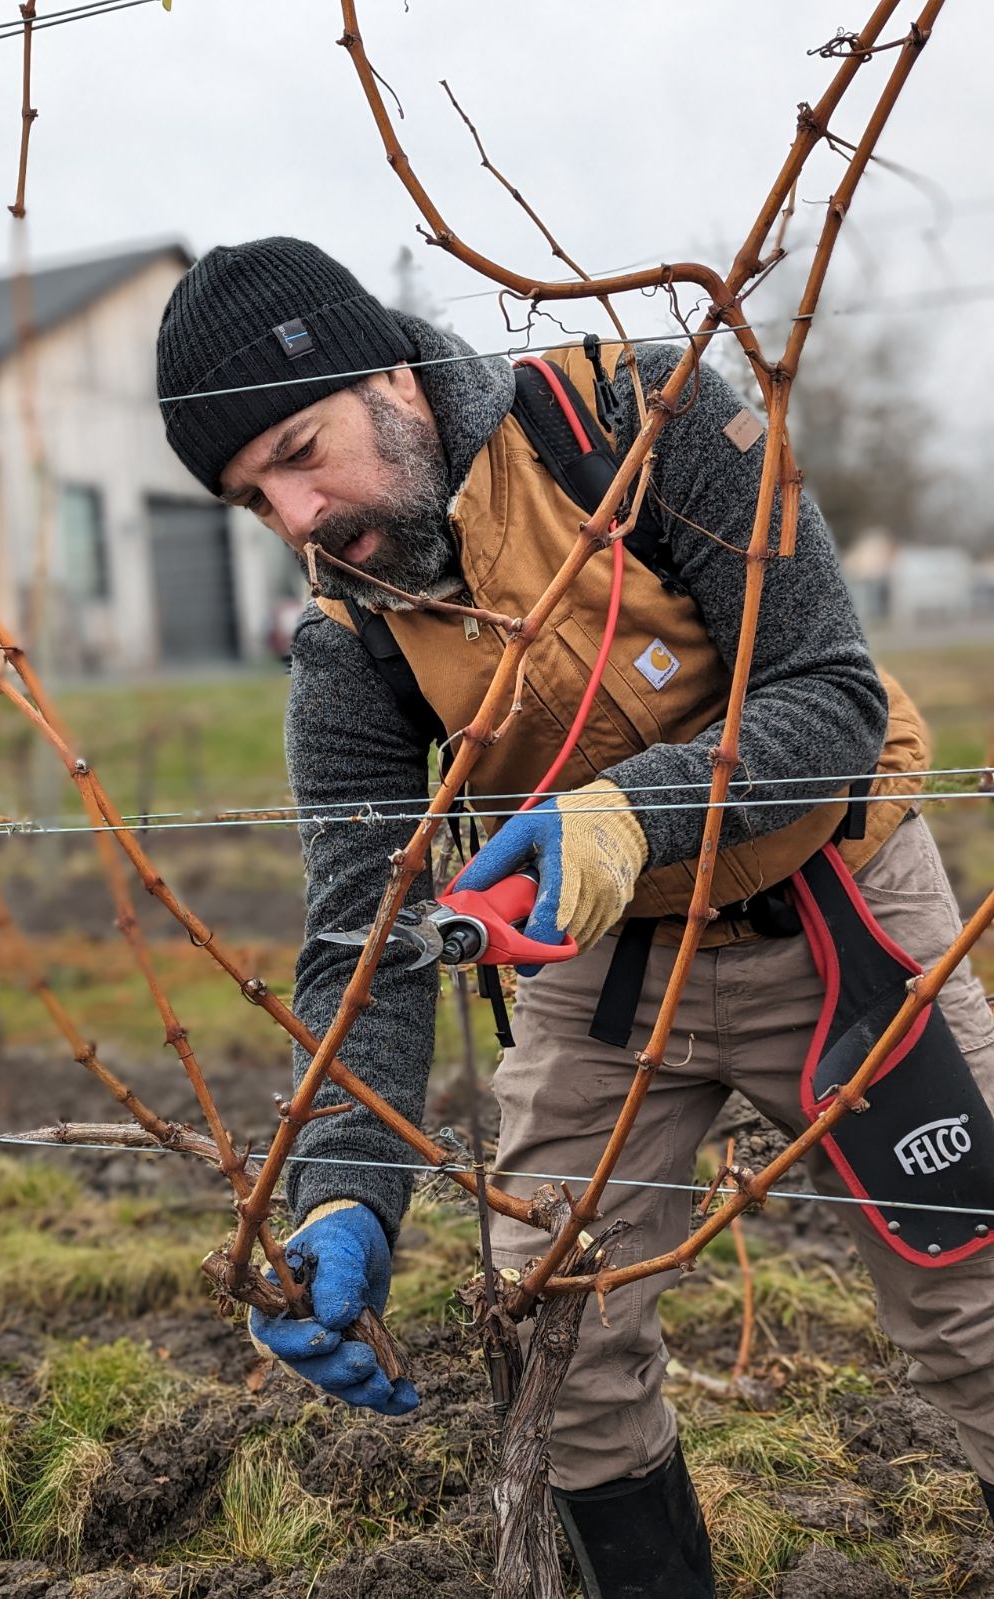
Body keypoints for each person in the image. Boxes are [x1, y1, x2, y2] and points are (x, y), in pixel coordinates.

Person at [156, 236, 994, 1598]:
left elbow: (829, 697)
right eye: (257, 500)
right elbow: (357, 941)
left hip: (836, 919)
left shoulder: (640, 423)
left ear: (395, 380)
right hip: (593, 971)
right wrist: (344, 1196)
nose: (301, 515)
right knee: (556, 1341)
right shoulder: (353, 637)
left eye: (303, 452)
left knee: (973, 1306)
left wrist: (624, 812)